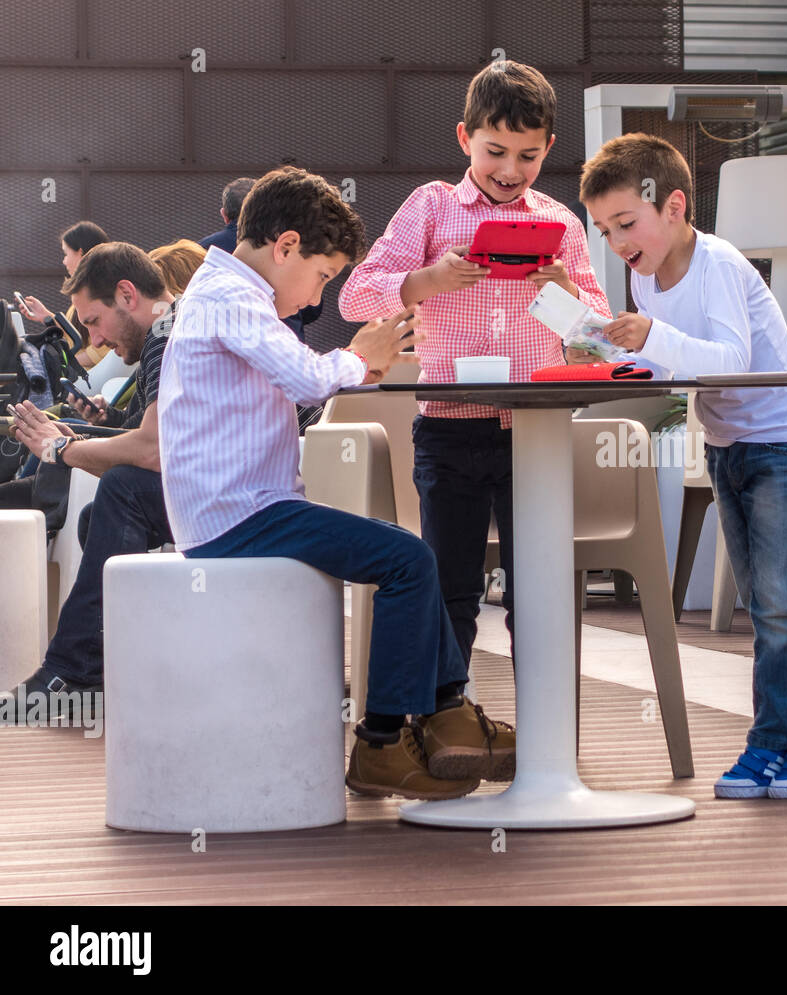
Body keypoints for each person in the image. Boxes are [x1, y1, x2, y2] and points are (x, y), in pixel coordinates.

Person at [158, 166, 502, 801]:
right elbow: (310, 380)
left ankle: (443, 712)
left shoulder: (227, 294)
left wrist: (361, 367)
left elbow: (302, 379)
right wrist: (359, 354)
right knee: (407, 559)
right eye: (322, 275)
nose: (317, 296)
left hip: (237, 509)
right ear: (286, 245)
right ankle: (384, 742)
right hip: (238, 515)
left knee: (406, 557)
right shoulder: (230, 300)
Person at [338, 61, 610, 724]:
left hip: (536, 431)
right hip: (450, 427)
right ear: (466, 139)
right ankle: (445, 724)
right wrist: (425, 282)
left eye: (527, 155)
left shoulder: (562, 224)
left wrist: (564, 296)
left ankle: (546, 728)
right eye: (495, 152)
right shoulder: (431, 207)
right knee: (452, 589)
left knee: (538, 592)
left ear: (548, 149)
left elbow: (596, 343)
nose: (510, 171)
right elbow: (352, 296)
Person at [580, 133, 787, 800]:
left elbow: (732, 359)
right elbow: (675, 366)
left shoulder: (715, 263)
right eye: (606, 231)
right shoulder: (643, 275)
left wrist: (653, 337)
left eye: (626, 224)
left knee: (780, 606)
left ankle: (771, 744)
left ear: (674, 206)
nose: (618, 243)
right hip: (727, 444)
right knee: (772, 603)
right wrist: (618, 355)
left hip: (781, 443)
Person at [6, 242, 179, 714]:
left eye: (91, 321)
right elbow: (147, 440)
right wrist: (75, 437)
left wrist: (64, 448)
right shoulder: (167, 331)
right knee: (94, 518)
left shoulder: (168, 335)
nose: (95, 340)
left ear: (127, 295)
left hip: (241, 501)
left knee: (122, 493)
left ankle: (75, 670)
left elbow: (153, 449)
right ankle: (111, 666)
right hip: (217, 491)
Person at [199, 176, 321, 341]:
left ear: (224, 215)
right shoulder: (288, 246)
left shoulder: (200, 251)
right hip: (288, 343)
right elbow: (312, 310)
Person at [15, 221, 112, 369]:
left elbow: (101, 352)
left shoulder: (100, 294)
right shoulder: (90, 292)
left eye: (66, 254)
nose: (64, 261)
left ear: (80, 253)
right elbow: (77, 338)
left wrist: (62, 363)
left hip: (89, 379)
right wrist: (46, 316)